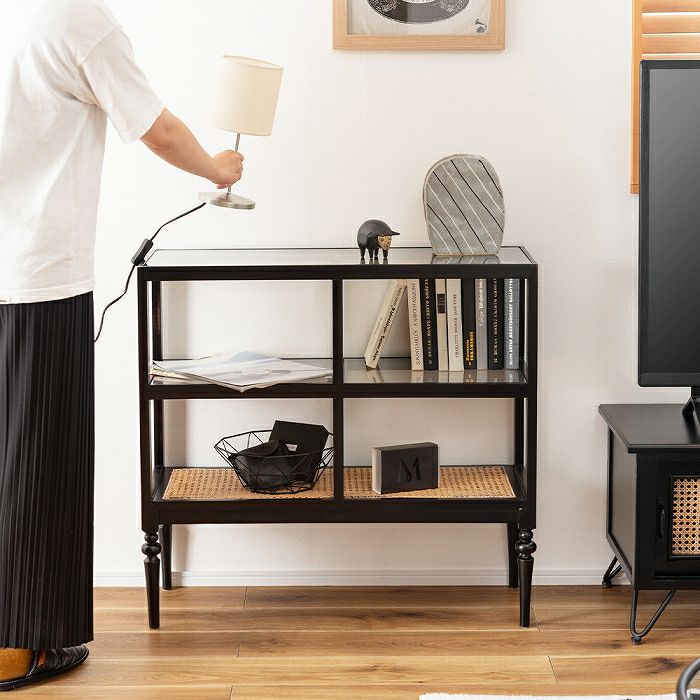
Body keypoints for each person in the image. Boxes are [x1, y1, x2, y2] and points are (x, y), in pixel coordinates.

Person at [0, 0, 243, 690]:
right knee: (37, 458)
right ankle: (17, 644)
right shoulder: (76, 19)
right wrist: (218, 168)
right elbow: (157, 129)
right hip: (36, 275)